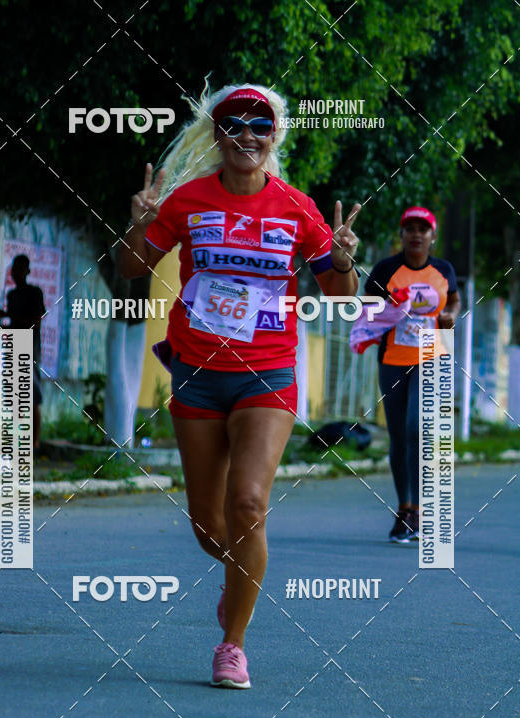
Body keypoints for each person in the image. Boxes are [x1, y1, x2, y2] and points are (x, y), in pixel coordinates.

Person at [119, 84, 360, 687]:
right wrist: (137, 229)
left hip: (269, 375)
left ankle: (233, 643)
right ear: (218, 133)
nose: (247, 136)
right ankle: (237, 586)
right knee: (208, 524)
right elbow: (130, 272)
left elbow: (340, 297)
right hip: (198, 375)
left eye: (261, 126)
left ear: (274, 135)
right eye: (234, 125)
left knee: (248, 504)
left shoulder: (296, 207)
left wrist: (342, 260)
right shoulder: (187, 202)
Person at [360, 207, 460, 543]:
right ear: (402, 235)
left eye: (423, 229)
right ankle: (405, 509)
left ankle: (418, 508)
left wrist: (449, 314)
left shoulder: (443, 270)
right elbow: (366, 312)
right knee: (399, 435)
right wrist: (392, 309)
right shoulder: (385, 270)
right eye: (409, 228)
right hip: (393, 359)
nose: (416, 234)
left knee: (417, 427)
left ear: (433, 236)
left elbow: (455, 300)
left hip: (432, 355)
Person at [6, 255, 46, 451]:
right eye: (14, 269)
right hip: (15, 346)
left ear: (27, 271)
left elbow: (35, 321)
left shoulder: (34, 293)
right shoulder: (12, 296)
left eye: (20, 269)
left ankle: (35, 443)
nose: (16, 273)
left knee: (33, 395)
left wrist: (10, 318)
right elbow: (14, 324)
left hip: (30, 348)